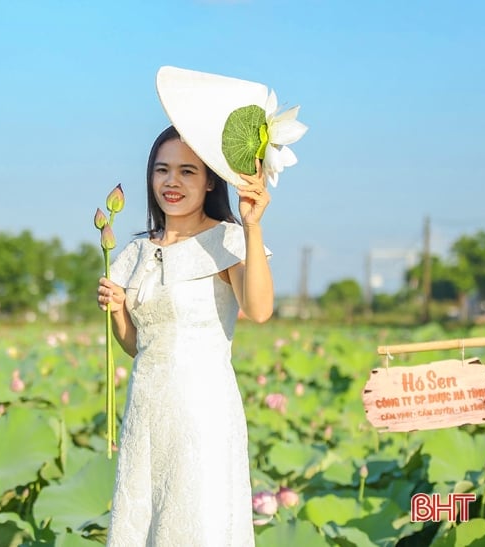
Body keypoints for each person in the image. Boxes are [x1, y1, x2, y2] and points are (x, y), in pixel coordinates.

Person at [98, 66, 306, 546]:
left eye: (187, 171)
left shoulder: (227, 240)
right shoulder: (133, 252)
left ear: (210, 181)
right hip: (148, 407)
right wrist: (116, 309)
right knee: (147, 521)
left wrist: (253, 227)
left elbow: (260, 310)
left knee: (197, 520)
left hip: (203, 408)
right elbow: (137, 347)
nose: (172, 182)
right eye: (162, 169)